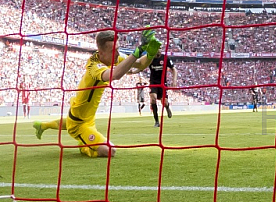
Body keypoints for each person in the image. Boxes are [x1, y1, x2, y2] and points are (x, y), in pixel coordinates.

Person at [33, 30, 161, 157]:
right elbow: (115, 75)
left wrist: (150, 55)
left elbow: (138, 65)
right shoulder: (94, 66)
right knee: (109, 151)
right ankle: (84, 147)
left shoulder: (113, 57)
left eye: (118, 48)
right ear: (101, 52)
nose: (117, 54)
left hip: (86, 116)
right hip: (79, 124)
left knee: (71, 120)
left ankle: (43, 125)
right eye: (113, 51)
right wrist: (137, 52)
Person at [148, 51, 177, 127]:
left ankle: (167, 107)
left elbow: (174, 69)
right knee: (153, 98)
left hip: (162, 83)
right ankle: (157, 121)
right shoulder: (149, 58)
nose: (159, 50)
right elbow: (141, 66)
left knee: (164, 102)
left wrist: (174, 80)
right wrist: (133, 71)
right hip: (153, 83)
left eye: (160, 48)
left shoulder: (165, 58)